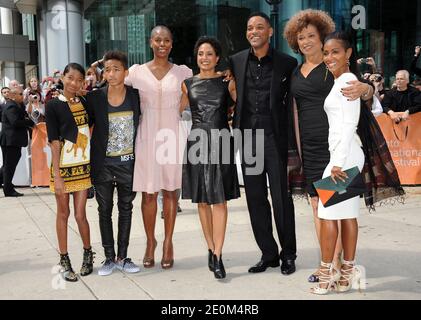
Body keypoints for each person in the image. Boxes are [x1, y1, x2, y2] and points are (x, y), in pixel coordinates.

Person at [283, 9, 375, 283]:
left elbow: (359, 87)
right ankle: (329, 261)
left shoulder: (333, 65)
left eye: (311, 35)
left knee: (337, 207)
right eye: (301, 37)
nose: (306, 41)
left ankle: (336, 265)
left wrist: (367, 89)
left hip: (336, 148)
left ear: (322, 37)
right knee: (318, 206)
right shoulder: (295, 71)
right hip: (309, 149)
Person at [312, 31, 403, 295]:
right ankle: (346, 274)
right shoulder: (341, 79)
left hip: (345, 156)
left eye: (335, 52)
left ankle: (328, 273)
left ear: (348, 53)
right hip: (346, 153)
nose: (329, 57)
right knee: (347, 214)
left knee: (326, 214)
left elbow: (351, 122)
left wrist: (337, 163)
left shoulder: (348, 80)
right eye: (326, 53)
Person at [229, 12, 298, 275]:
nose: (254, 31)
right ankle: (268, 254)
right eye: (249, 28)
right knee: (256, 198)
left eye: (259, 27)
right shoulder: (236, 61)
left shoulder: (286, 62)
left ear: (270, 32)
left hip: (275, 138)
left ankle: (288, 254)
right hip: (248, 139)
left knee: (281, 199)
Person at [125, 25, 193, 270]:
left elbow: (190, 98)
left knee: (171, 190)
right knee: (149, 192)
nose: (162, 44)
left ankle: (168, 243)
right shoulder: (135, 73)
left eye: (166, 40)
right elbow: (112, 87)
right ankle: (150, 242)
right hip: (147, 135)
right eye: (157, 40)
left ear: (171, 44)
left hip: (173, 135)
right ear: (150, 42)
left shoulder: (183, 72)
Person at [181, 36, 240, 279]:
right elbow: (175, 111)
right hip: (196, 143)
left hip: (221, 142)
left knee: (220, 201)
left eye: (209, 54)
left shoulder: (228, 82)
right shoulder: (186, 84)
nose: (204, 58)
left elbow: (245, 106)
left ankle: (218, 253)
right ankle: (210, 247)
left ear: (217, 58)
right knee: (202, 201)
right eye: (200, 54)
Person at [86, 51, 141, 276]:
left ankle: (123, 256)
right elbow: (83, 125)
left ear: (125, 72)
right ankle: (108, 258)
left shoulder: (136, 96)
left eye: (116, 69)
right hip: (103, 165)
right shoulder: (95, 98)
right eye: (107, 69)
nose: (111, 73)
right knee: (104, 210)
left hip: (128, 163)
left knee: (126, 210)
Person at [45, 63, 94, 282]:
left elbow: (91, 127)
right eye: (70, 78)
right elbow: (54, 142)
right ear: (63, 77)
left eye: (79, 80)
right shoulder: (53, 105)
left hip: (83, 168)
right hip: (62, 168)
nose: (74, 83)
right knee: (63, 214)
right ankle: (64, 259)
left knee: (81, 214)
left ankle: (87, 254)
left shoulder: (85, 101)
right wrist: (57, 176)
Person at [0, 87, 34, 196]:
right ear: (13, 95)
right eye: (20, 94)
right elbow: (14, 122)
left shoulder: (17, 105)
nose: (22, 96)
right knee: (9, 166)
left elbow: (23, 114)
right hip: (10, 141)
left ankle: (7, 184)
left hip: (13, 140)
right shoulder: (10, 106)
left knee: (7, 165)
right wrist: (28, 122)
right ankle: (8, 190)